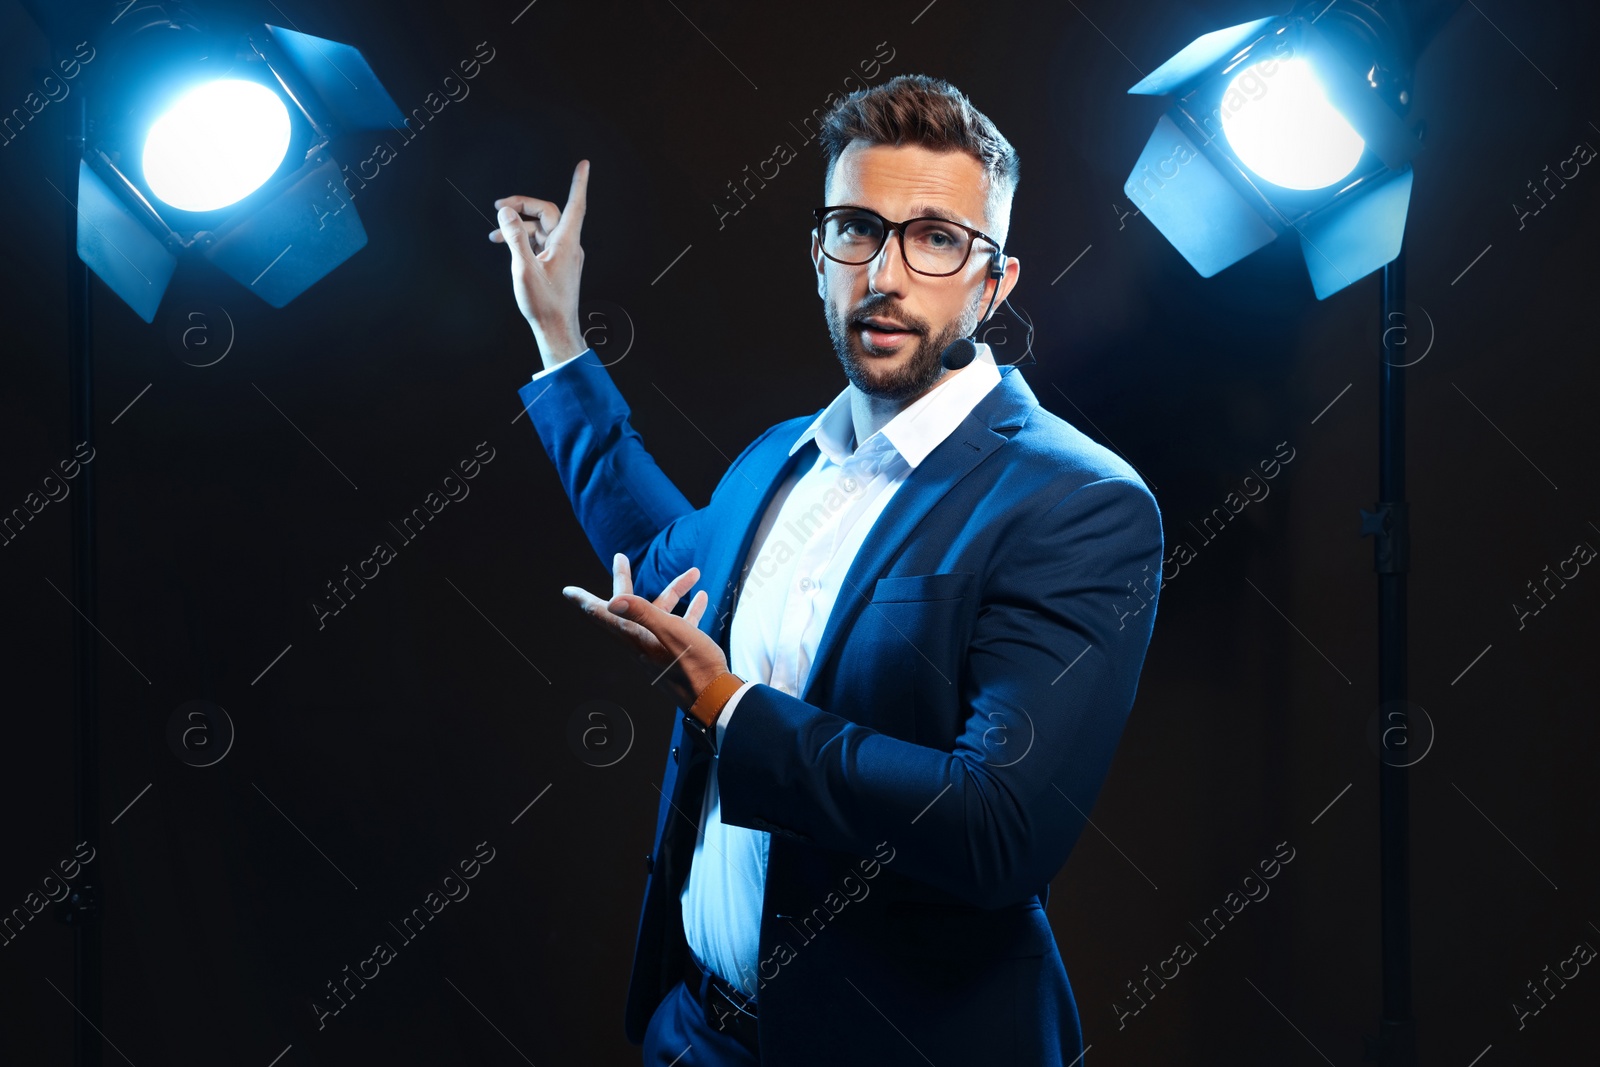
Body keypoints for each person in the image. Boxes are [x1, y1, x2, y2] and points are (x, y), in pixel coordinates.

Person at [493, 74, 1163, 1067]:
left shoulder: (1075, 502)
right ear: (818, 258)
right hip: (696, 1032)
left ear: (993, 281)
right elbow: (669, 559)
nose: (886, 272)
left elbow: (998, 827)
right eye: (856, 228)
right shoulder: (780, 458)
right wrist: (559, 340)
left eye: (935, 236)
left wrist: (728, 704)